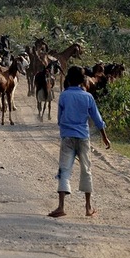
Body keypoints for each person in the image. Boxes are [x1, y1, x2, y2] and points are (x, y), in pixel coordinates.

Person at [49, 65, 111, 219]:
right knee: (86, 169)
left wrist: (65, 129)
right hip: (83, 137)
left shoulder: (64, 96)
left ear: (68, 79)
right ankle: (88, 207)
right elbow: (97, 119)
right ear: (83, 80)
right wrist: (104, 136)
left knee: (64, 169)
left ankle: (61, 206)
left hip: (68, 137)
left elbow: (59, 119)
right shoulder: (88, 97)